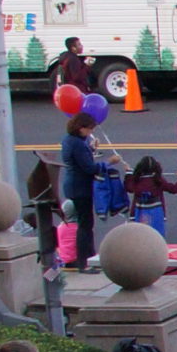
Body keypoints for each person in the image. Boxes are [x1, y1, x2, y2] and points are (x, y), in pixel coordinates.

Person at [59, 112, 118, 270]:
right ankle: (84, 261)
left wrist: (91, 148)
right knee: (85, 226)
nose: (91, 132)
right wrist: (109, 162)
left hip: (73, 186)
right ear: (81, 128)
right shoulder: (78, 144)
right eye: (89, 129)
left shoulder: (70, 140)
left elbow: (80, 158)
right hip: (80, 188)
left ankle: (88, 257)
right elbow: (89, 168)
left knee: (84, 223)